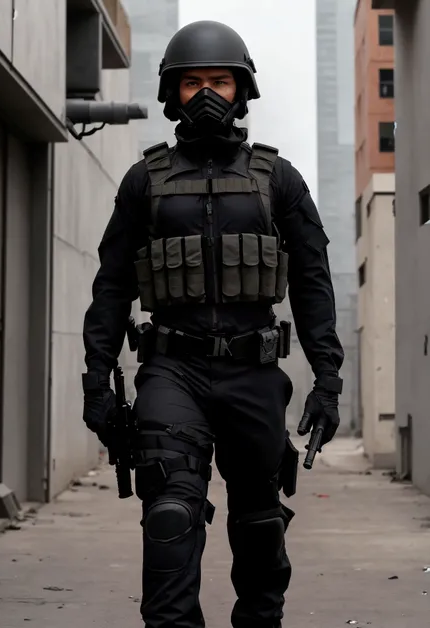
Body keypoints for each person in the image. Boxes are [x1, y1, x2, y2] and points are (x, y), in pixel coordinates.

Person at [82, 20, 344, 628]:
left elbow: (312, 284)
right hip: (172, 369)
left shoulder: (279, 180)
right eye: (191, 82)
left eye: (218, 81)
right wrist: (96, 381)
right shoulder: (144, 181)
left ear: (241, 90)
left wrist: (327, 379)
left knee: (258, 526)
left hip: (253, 373)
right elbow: (112, 286)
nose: (205, 94)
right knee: (170, 517)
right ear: (171, 93)